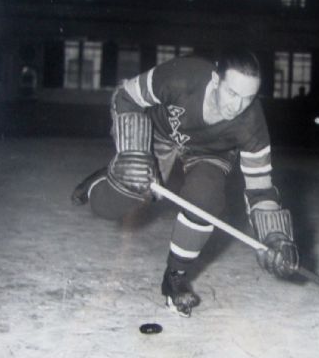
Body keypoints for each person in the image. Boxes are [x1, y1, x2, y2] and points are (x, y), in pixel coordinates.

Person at [71, 48, 299, 316]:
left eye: (247, 98)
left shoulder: (252, 125)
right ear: (215, 80)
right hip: (158, 133)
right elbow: (125, 96)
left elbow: (260, 188)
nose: (237, 107)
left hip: (210, 154)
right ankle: (110, 176)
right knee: (117, 199)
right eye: (232, 93)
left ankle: (175, 278)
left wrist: (275, 236)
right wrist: (132, 152)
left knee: (206, 198)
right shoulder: (181, 76)